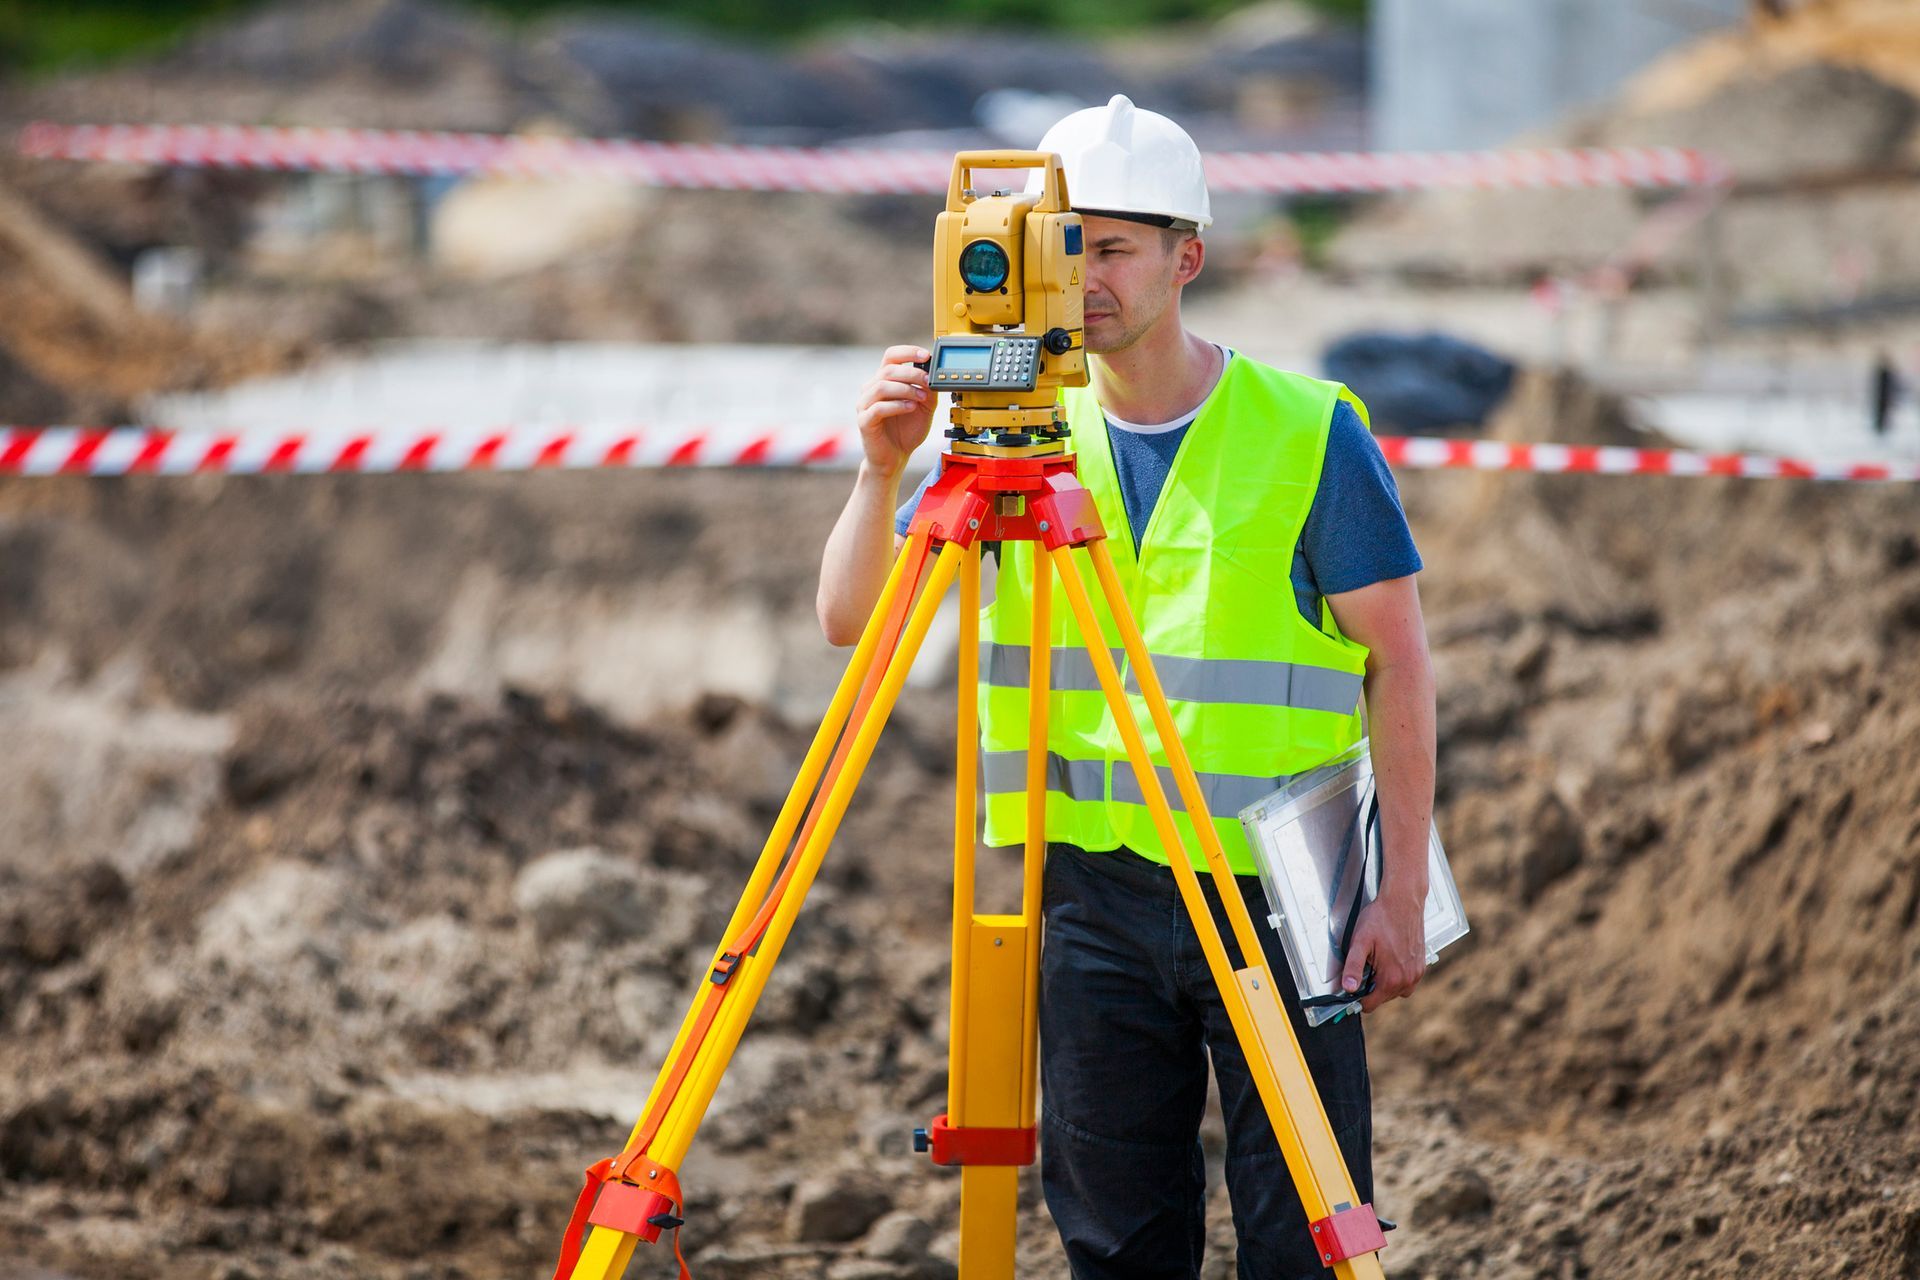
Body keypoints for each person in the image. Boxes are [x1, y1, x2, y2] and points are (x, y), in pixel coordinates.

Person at [816, 95, 1436, 1280]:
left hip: (1277, 892)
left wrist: (1397, 893)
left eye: (1111, 248)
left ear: (1184, 256)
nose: (1081, 278)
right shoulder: (1017, 442)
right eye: (1065, 247)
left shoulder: (1307, 433)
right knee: (1115, 1244)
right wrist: (878, 468)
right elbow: (851, 617)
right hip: (1093, 894)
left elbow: (1399, 662)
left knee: (1300, 1236)